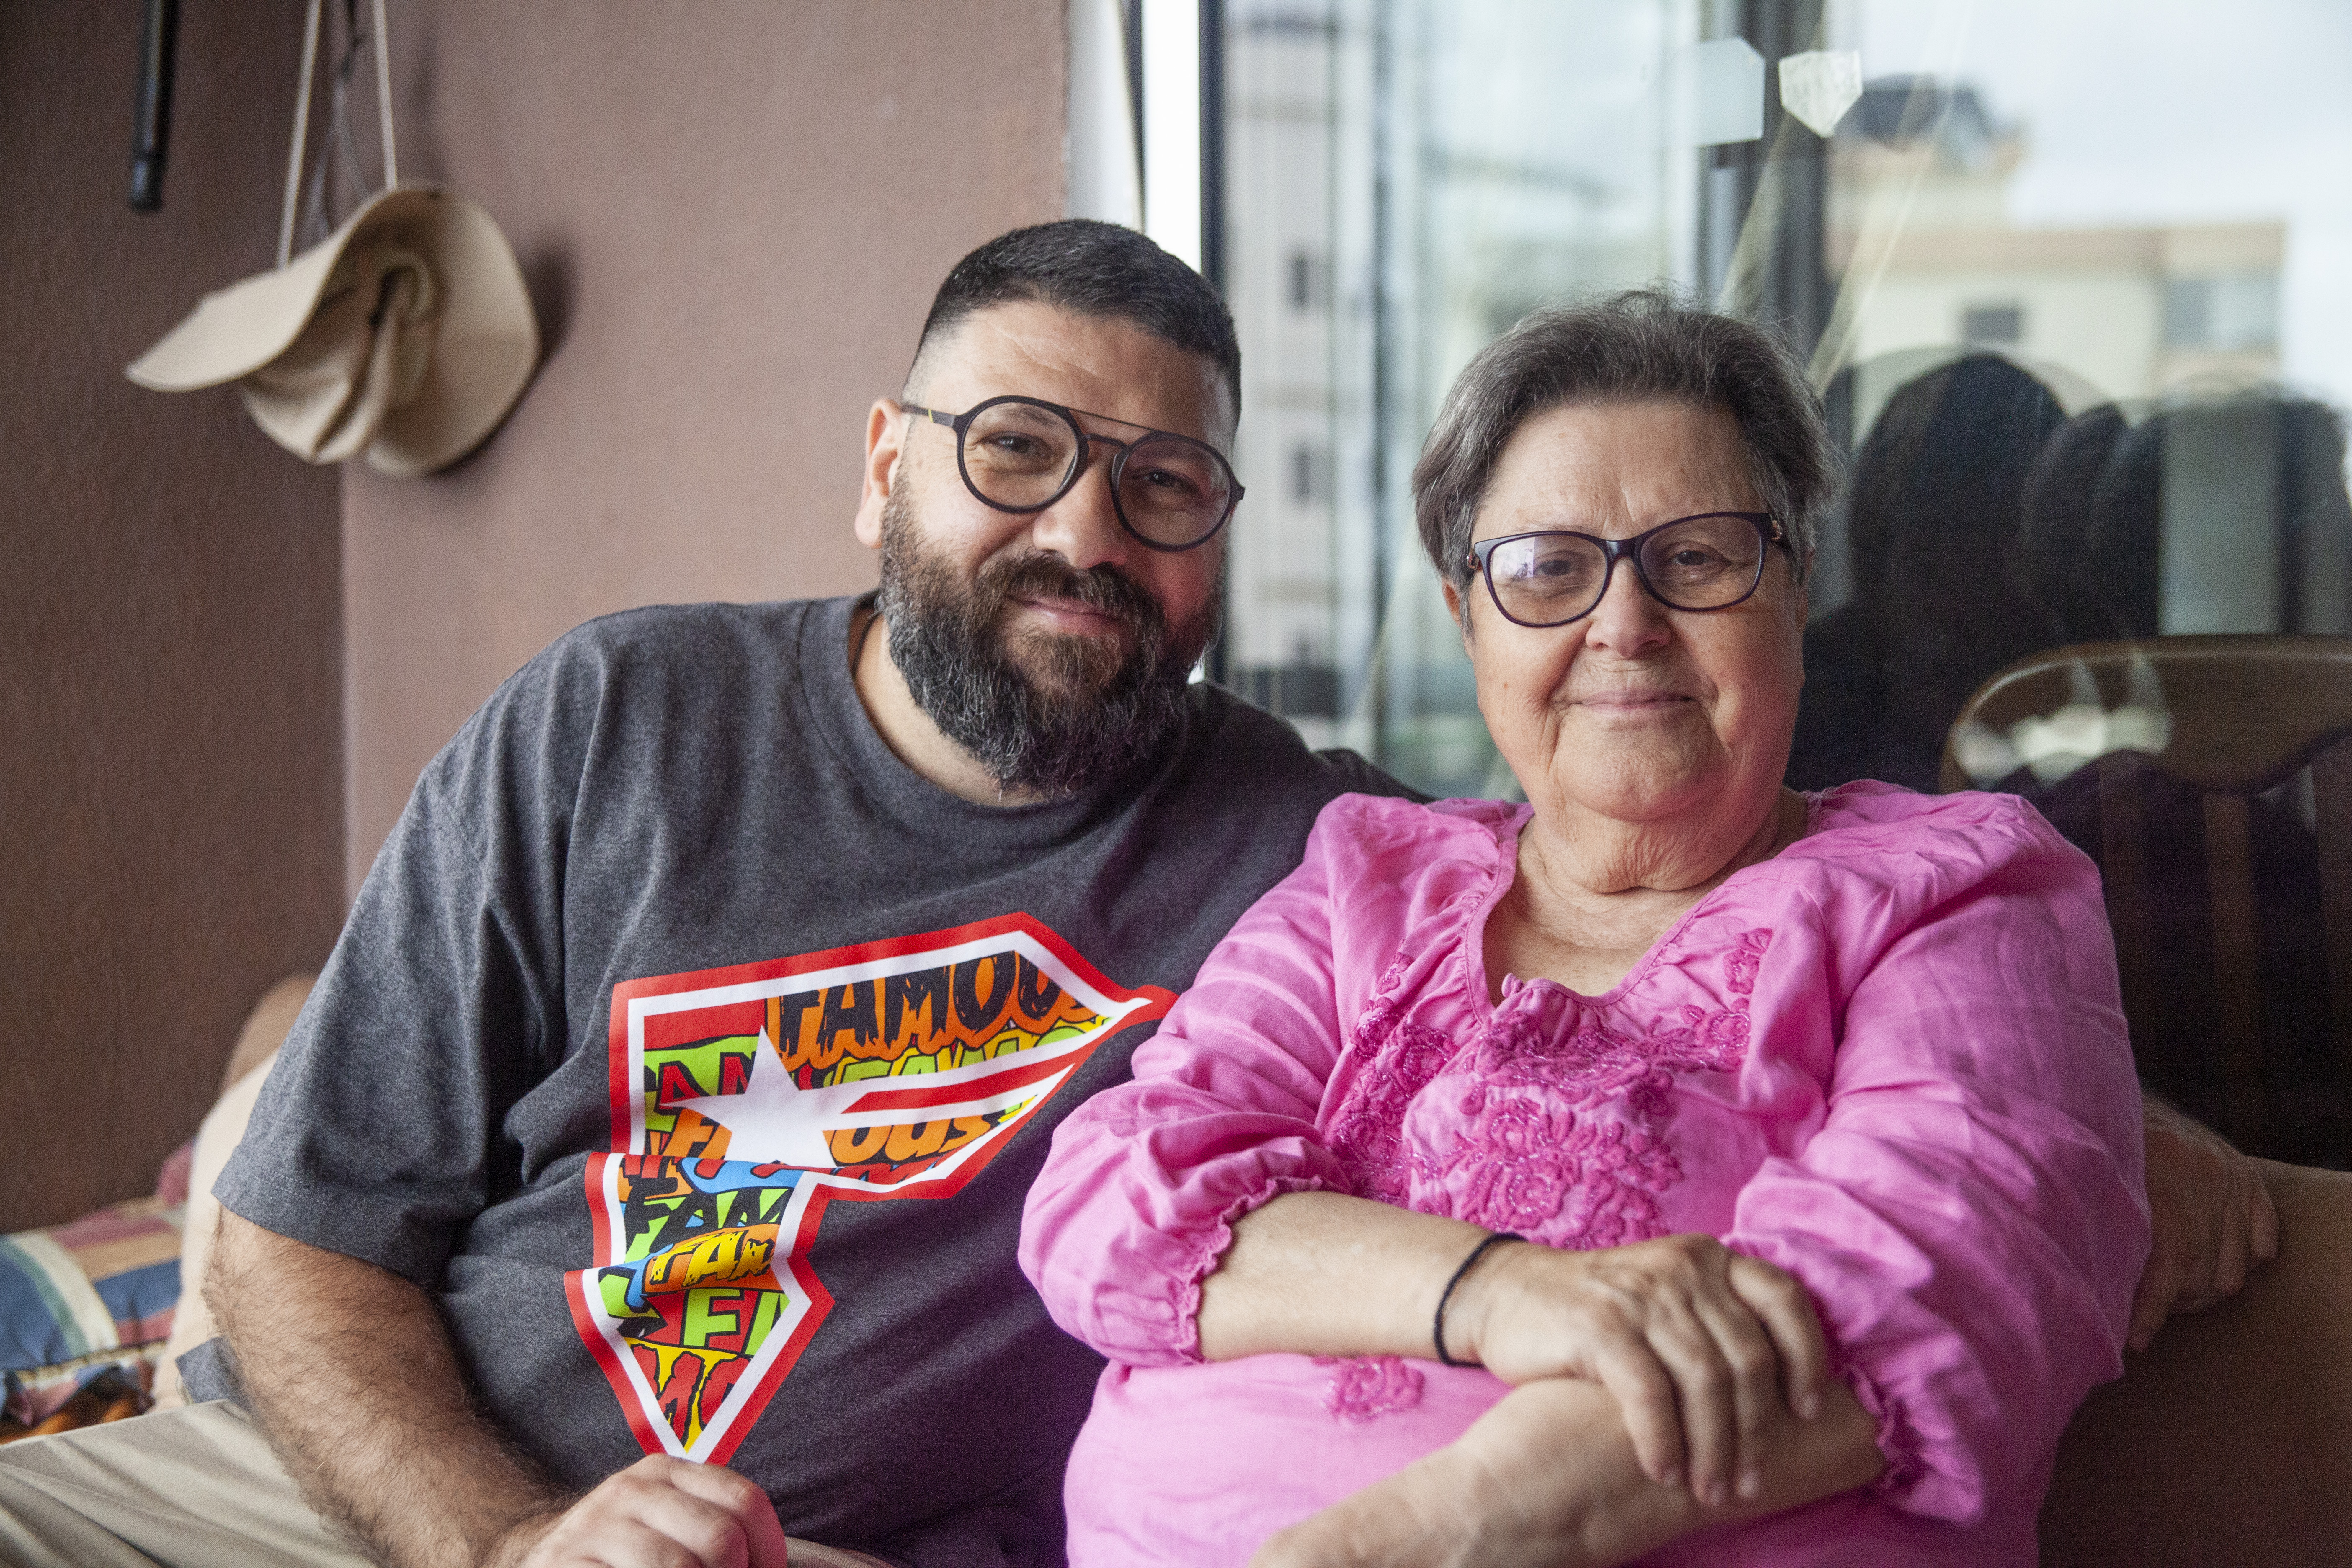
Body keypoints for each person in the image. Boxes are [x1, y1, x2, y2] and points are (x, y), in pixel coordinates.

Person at [0, 230, 2272, 1568]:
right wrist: (506, 1545)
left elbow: (1704, 908)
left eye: (1164, 483)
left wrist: (2101, 1129)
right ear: (887, 468)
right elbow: (292, 1237)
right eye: (1018, 450)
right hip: (383, 1501)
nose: (1087, 531)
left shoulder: (1290, 828)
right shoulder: (616, 722)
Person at [1019, 294, 2150, 1565]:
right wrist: (1501, 1291)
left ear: (1796, 588)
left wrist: (1383, 1547)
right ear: (1467, 621)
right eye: (1548, 569)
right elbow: (1114, 1205)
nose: (1624, 624)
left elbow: (1934, 1285)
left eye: (1700, 557)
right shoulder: (1365, 883)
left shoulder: (1956, 893)